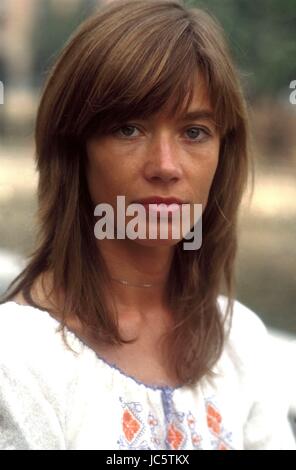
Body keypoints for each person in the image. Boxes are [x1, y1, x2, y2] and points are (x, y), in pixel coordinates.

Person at [0, 0, 294, 451]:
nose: (165, 166)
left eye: (194, 132)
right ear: (74, 151)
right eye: (129, 129)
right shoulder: (19, 359)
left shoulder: (239, 343)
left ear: (222, 155)